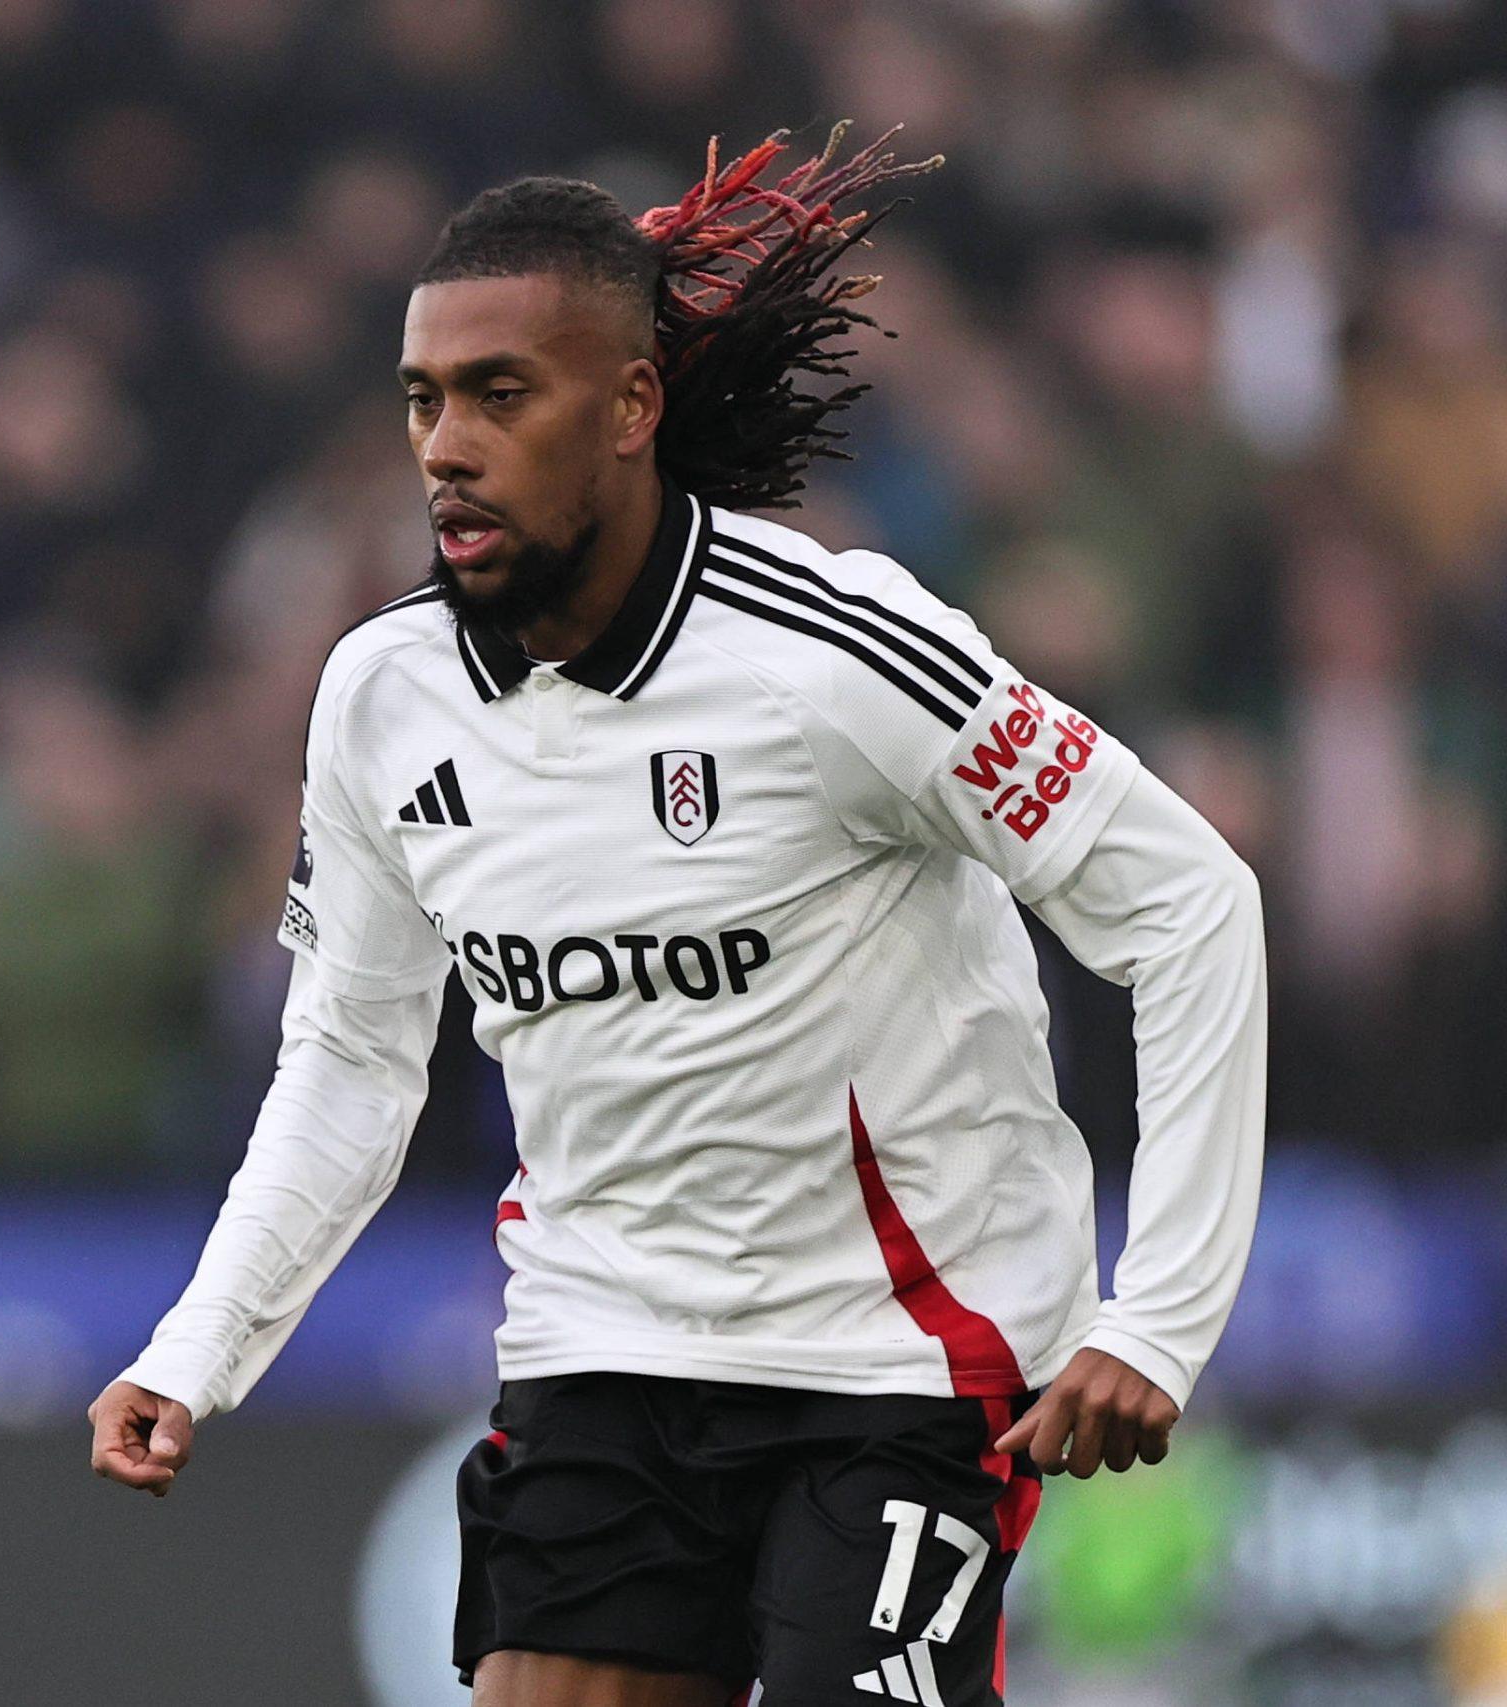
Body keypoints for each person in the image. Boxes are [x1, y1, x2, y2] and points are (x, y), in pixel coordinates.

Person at [89, 125, 1267, 1707]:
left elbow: (1190, 903)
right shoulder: (381, 698)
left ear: (632, 406)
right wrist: (198, 1347)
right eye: (424, 401)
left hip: (904, 1364)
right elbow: (356, 1060)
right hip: (607, 1346)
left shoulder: (838, 654)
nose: (445, 444)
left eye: (502, 395)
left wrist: (1163, 1320)